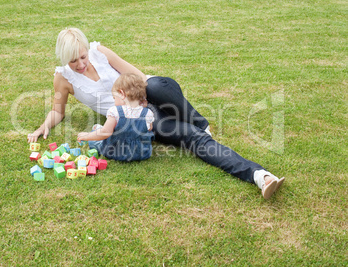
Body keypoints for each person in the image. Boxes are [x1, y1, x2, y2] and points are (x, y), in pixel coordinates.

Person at [27, 27, 285, 199]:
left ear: (86, 49)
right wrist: (44, 126)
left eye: (83, 57)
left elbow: (137, 75)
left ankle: (200, 122)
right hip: (138, 117)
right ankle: (260, 176)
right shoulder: (63, 78)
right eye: (74, 61)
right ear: (64, 58)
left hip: (154, 90)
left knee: (154, 85)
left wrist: (141, 96)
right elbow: (57, 111)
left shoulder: (99, 52)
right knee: (193, 139)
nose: (81, 64)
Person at [76, 72, 154, 161]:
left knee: (97, 138)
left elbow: (105, 132)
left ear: (121, 93)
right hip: (141, 153)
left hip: (115, 151)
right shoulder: (147, 113)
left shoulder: (115, 111)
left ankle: (95, 130)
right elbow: (149, 129)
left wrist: (87, 136)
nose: (114, 101)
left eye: (114, 98)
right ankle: (98, 128)